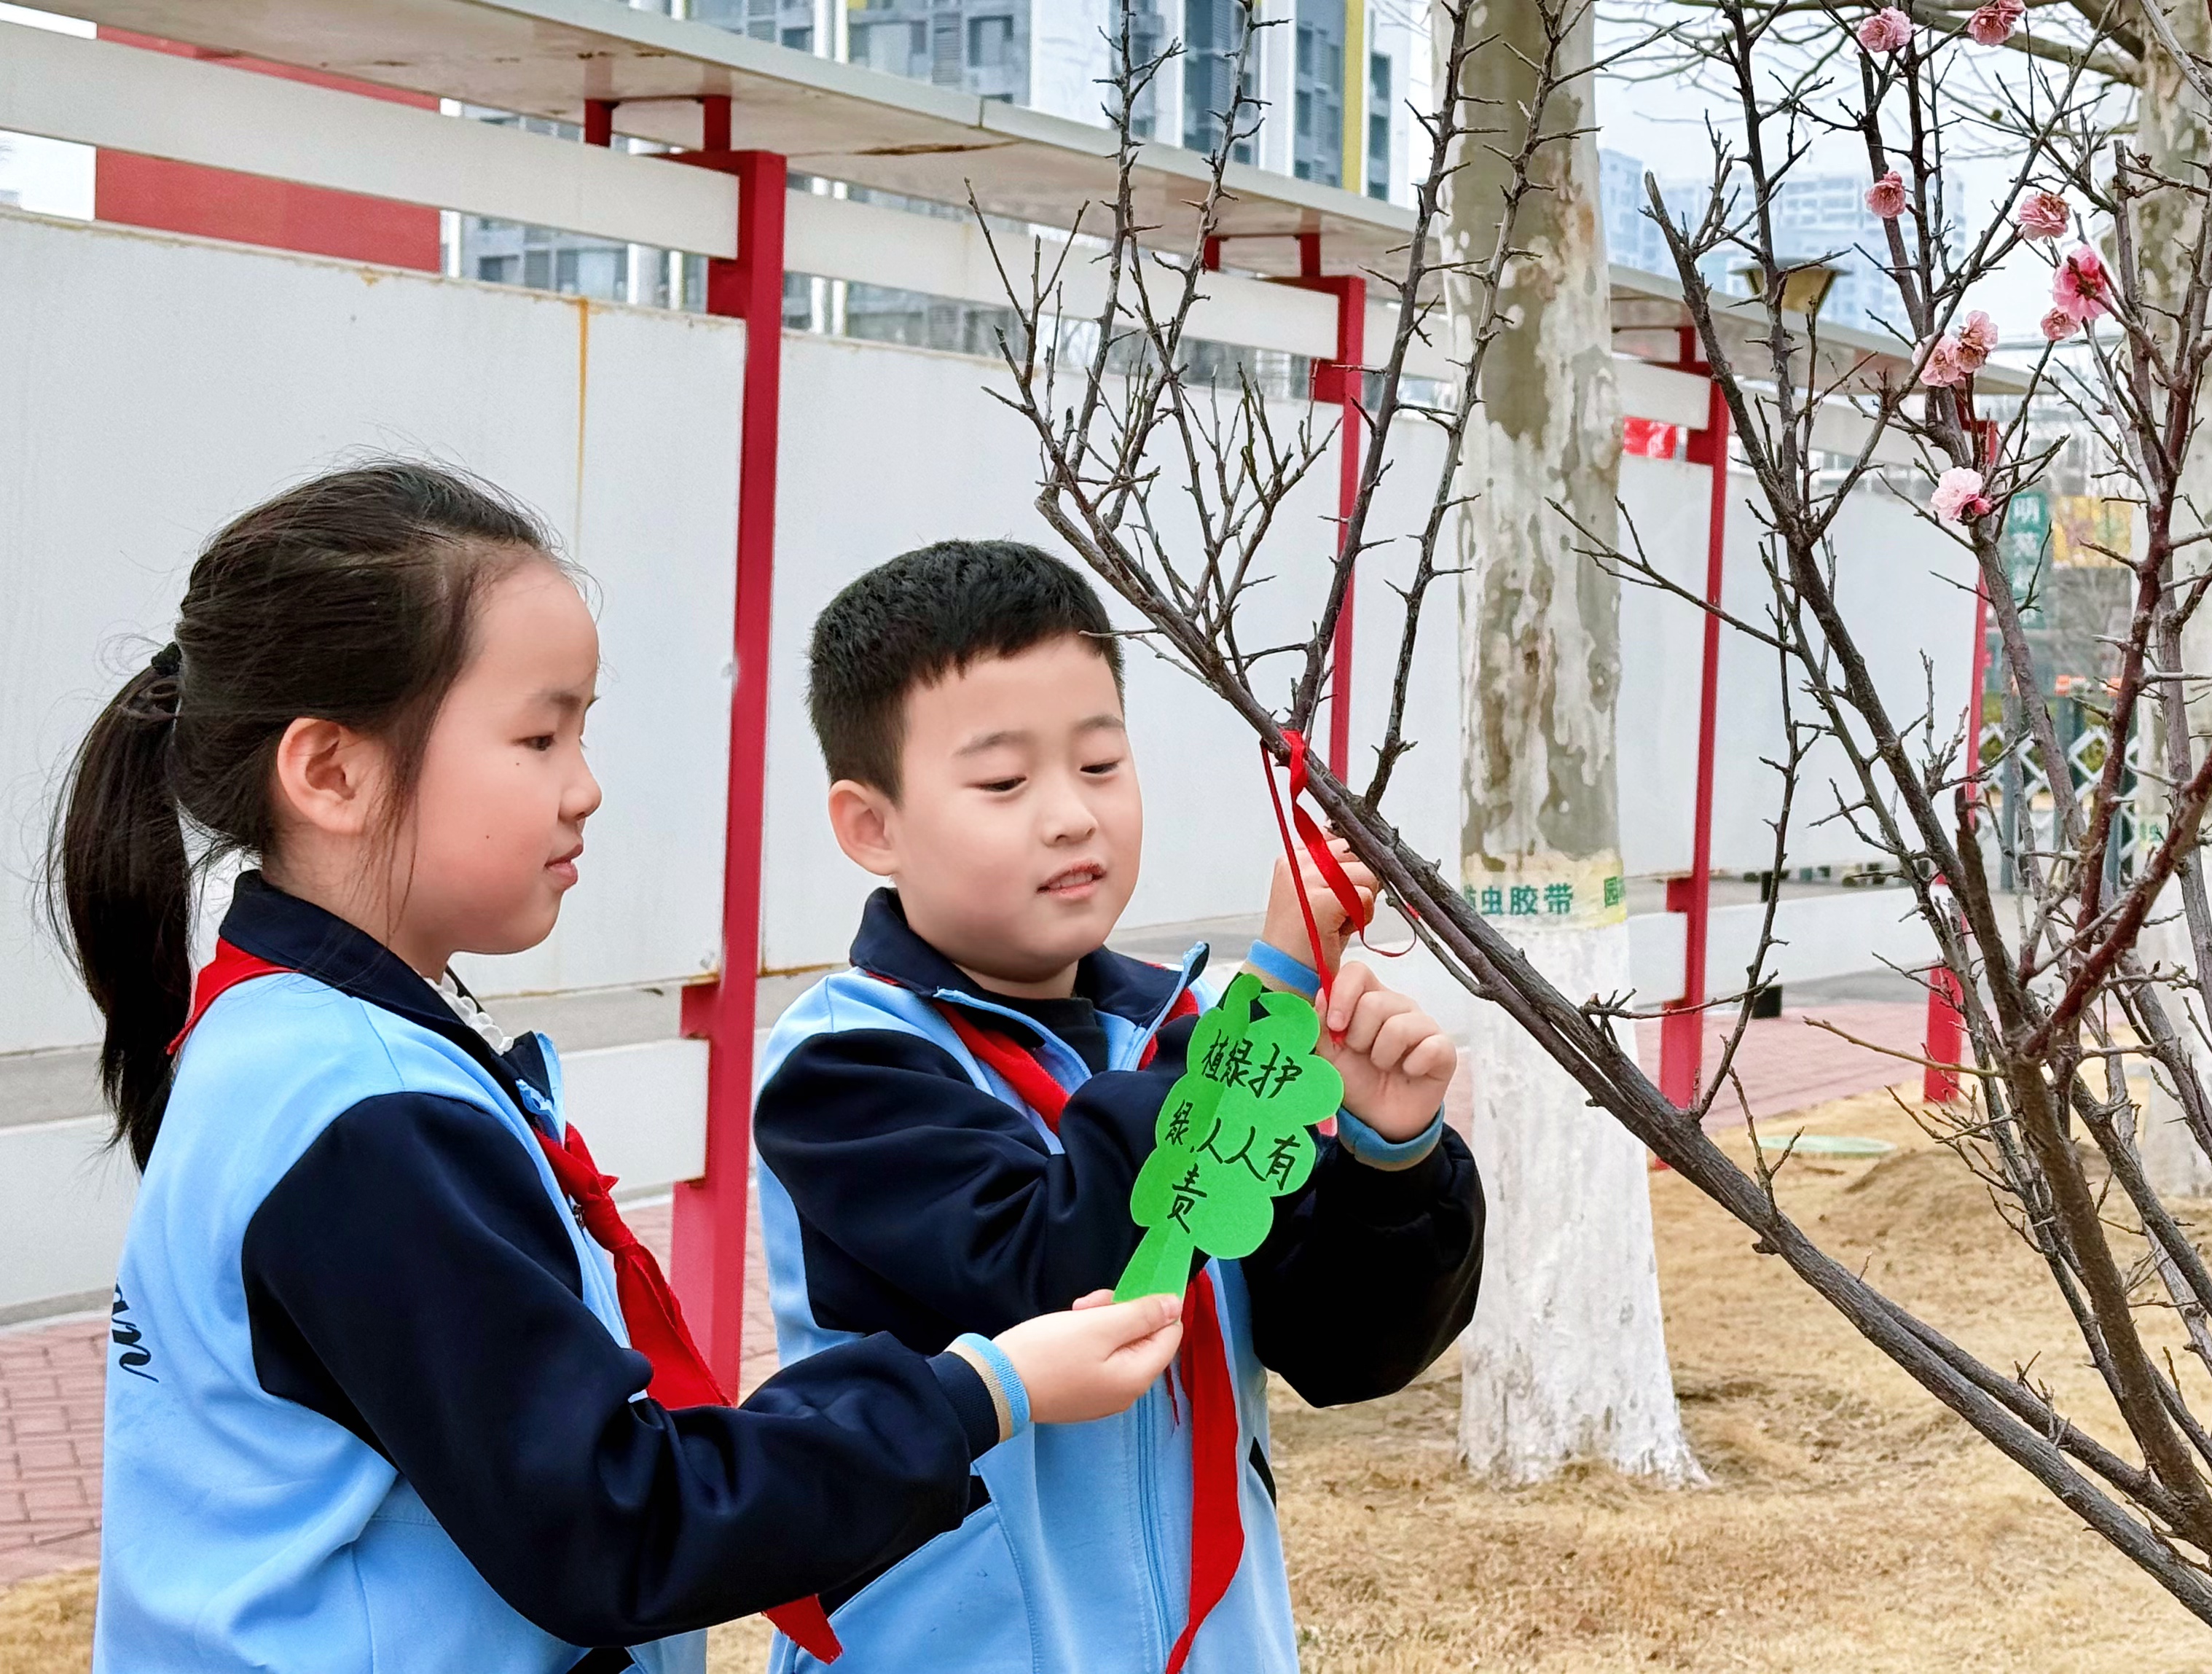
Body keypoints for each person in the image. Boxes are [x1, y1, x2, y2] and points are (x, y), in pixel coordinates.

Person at [54, 465, 1184, 1674]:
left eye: (581, 732)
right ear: (331, 772)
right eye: (539, 736)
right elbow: (618, 1520)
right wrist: (984, 1389)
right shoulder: (365, 1111)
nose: (585, 787)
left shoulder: (296, 1047)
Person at [753, 539, 1486, 1672]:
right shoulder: (845, 1067)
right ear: (870, 825)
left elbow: (1345, 1350)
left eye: (1100, 764)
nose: (1070, 816)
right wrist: (1269, 999)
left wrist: (1391, 1160)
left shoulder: (1180, 1033)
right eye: (1004, 783)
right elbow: (1056, 1261)